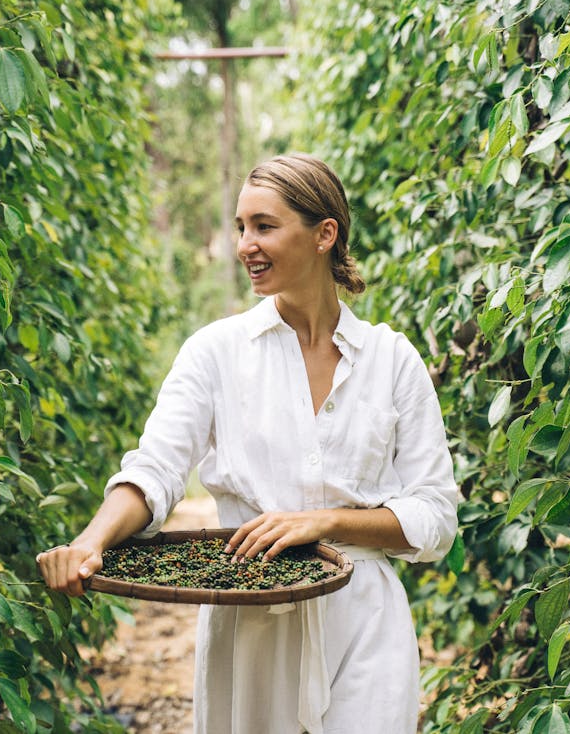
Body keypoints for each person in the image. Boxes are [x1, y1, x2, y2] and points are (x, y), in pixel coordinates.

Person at [37, 153, 458, 734]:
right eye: (241, 227)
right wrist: (91, 540)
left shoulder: (392, 361)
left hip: (363, 620)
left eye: (264, 225)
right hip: (250, 619)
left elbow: (435, 515)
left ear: (324, 235)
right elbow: (155, 469)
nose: (244, 245)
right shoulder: (215, 352)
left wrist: (325, 523)